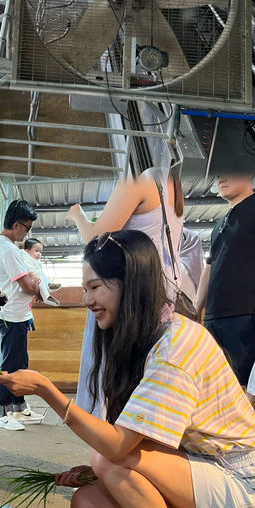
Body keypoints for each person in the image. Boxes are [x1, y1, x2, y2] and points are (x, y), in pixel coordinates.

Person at [0, 229, 255, 508]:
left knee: (108, 457)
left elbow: (119, 446)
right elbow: (141, 439)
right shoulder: (146, 338)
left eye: (95, 287)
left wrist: (46, 391)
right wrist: (95, 473)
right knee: (87, 505)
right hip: (206, 468)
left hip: (248, 484)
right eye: (84, 290)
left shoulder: (176, 345)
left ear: (129, 282)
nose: (87, 301)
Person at [67, 166, 184, 416]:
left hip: (127, 285)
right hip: (159, 286)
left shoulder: (139, 178)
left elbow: (95, 240)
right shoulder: (172, 182)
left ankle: (111, 435)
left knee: (114, 368)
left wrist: (77, 215)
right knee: (142, 370)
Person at [195, 174, 255, 424]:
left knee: (251, 383)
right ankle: (226, 440)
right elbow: (209, 268)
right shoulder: (219, 225)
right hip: (214, 318)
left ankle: (249, 443)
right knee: (217, 384)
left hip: (249, 315)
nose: (221, 177)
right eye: (218, 174)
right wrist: (196, 308)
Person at [0, 199, 44, 431]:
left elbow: (28, 284)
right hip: (10, 316)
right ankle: (3, 412)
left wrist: (35, 286)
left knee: (20, 364)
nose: (27, 232)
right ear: (16, 224)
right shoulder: (8, 249)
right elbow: (26, 286)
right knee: (10, 366)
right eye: (27, 227)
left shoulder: (8, 247)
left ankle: (18, 407)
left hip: (17, 315)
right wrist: (36, 288)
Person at [23, 238, 60, 306]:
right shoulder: (25, 258)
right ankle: (46, 297)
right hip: (29, 278)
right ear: (27, 251)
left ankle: (49, 286)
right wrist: (32, 274)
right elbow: (28, 267)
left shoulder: (37, 261)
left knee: (42, 277)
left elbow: (40, 272)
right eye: (36, 251)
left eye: (40, 252)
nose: (39, 254)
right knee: (40, 280)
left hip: (36, 278)